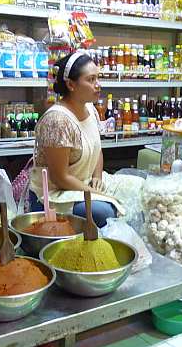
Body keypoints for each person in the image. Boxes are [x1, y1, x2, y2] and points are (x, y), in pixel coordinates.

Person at [29, 51, 123, 227]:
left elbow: (97, 149)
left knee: (137, 187)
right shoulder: (57, 121)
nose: (98, 85)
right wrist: (95, 193)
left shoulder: (90, 109)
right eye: (91, 80)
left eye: (98, 78)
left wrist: (98, 178)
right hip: (57, 193)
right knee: (104, 212)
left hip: (83, 183)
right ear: (71, 84)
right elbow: (60, 178)